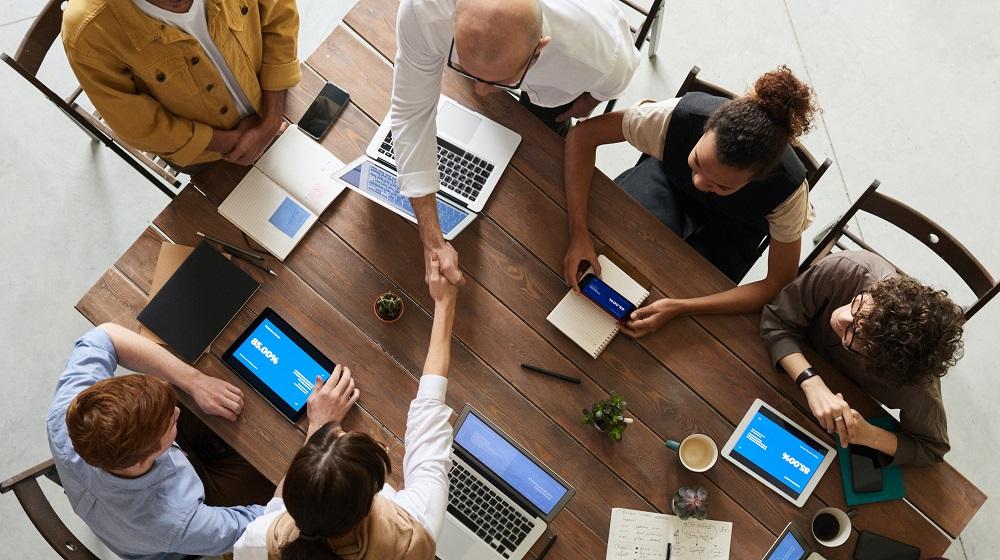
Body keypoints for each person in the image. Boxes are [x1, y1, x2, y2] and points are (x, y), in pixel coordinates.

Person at [392, 0, 640, 290]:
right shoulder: (422, 11)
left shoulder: (601, 57)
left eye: (498, 81)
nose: (481, 91)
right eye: (466, 68)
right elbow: (411, 115)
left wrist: (589, 101)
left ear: (539, 49)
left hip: (556, 90)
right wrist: (433, 240)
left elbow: (613, 82)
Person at [562, 66, 820, 337]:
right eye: (697, 162)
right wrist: (578, 233)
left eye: (722, 185)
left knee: (685, 303)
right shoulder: (676, 118)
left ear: (758, 178)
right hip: (667, 183)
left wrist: (681, 307)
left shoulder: (788, 192)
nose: (699, 182)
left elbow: (778, 283)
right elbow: (583, 136)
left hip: (735, 229)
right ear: (706, 129)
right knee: (613, 244)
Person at [234, 255, 458, 559]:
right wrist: (445, 303)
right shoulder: (413, 531)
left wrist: (317, 428)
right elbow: (429, 428)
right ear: (370, 501)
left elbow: (275, 509)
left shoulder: (261, 541)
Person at [47, 323, 275, 559]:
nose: (177, 412)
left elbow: (106, 334)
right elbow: (268, 528)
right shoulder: (175, 520)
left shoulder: (72, 412)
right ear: (143, 460)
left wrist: (195, 381)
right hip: (182, 524)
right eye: (170, 422)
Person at [760, 250, 965, 465]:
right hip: (780, 368)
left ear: (879, 363)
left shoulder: (915, 382)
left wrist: (868, 434)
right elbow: (776, 321)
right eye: (858, 306)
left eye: (856, 334)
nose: (842, 317)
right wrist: (812, 384)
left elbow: (931, 449)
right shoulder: (846, 270)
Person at [62, 0, 301, 169]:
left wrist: (270, 121)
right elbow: (138, 126)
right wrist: (233, 143)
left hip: (276, 100)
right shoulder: (86, 32)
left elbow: (279, 18)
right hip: (209, 155)